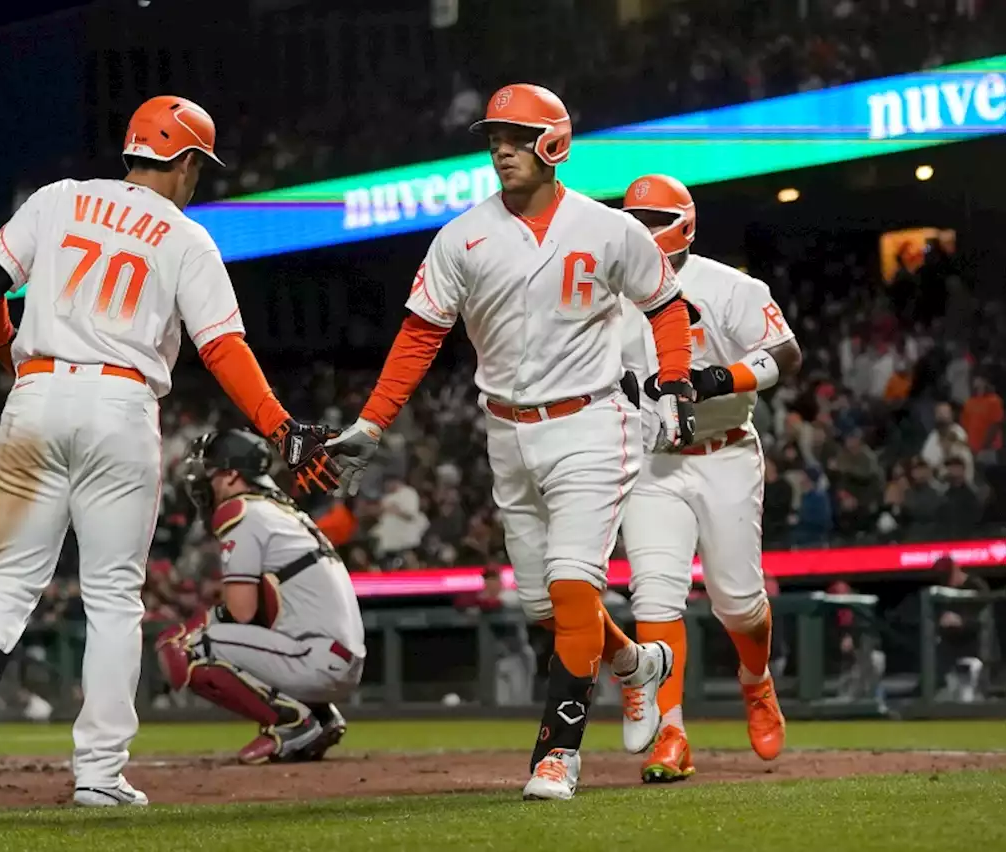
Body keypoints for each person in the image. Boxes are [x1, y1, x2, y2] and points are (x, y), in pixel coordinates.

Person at [0, 95, 340, 809]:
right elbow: (222, 347)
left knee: (9, 580)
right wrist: (278, 425)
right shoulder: (185, 236)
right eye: (198, 167)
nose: (196, 180)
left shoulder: (59, 199)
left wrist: (8, 352)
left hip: (38, 395)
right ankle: (98, 773)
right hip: (118, 407)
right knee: (112, 598)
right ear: (181, 160)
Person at [325, 83, 698, 801]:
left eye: (516, 135)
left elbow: (665, 306)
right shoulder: (461, 235)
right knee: (543, 605)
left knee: (571, 581)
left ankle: (558, 755)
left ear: (553, 143)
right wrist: (373, 421)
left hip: (592, 422)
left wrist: (674, 382)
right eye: (493, 135)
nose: (500, 147)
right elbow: (418, 336)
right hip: (507, 430)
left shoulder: (609, 228)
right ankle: (632, 665)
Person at [618, 174, 802, 783]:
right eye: (632, 221)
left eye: (651, 222)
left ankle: (756, 680)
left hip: (724, 452)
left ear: (682, 225)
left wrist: (720, 379)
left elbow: (785, 353)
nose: (640, 233)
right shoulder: (609, 296)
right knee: (654, 595)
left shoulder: (730, 286)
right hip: (652, 462)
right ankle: (671, 732)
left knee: (739, 603)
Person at [155, 429, 362, 763]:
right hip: (338, 658)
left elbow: (242, 612)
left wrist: (199, 622)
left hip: (314, 657)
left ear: (232, 475)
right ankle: (320, 717)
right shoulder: (280, 510)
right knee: (214, 631)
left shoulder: (240, 510)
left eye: (212, 472)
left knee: (185, 647)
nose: (205, 482)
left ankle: (292, 723)